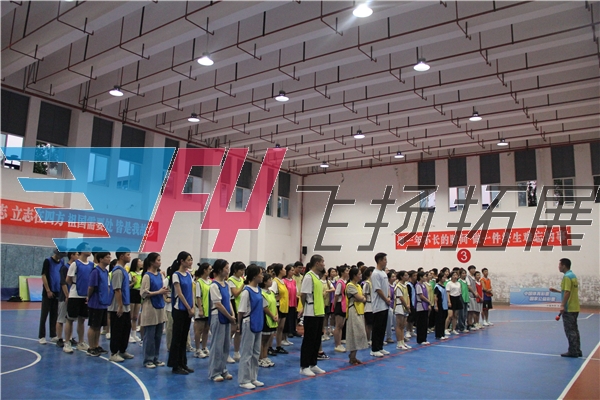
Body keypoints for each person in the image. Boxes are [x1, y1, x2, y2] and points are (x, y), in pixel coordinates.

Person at [237, 265, 266, 390]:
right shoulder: (246, 292)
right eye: (261, 273)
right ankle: (244, 380)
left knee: (256, 352)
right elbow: (241, 311)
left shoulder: (259, 290)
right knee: (247, 352)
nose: (263, 276)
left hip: (258, 322)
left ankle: (253, 377)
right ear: (254, 276)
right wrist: (238, 325)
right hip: (248, 323)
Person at [167, 251, 195, 375]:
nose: (190, 262)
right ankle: (175, 365)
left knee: (184, 337)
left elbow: (191, 292)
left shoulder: (189, 275)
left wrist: (193, 307)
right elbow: (179, 293)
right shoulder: (176, 275)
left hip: (189, 310)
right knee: (177, 338)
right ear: (182, 261)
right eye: (188, 260)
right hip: (179, 310)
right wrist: (188, 307)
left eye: (191, 259)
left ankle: (183, 363)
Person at [209, 259, 237, 382]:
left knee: (226, 345)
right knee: (217, 346)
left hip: (227, 317)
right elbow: (218, 304)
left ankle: (223, 369)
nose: (228, 270)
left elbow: (229, 301)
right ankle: (214, 372)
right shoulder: (214, 285)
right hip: (218, 317)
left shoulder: (226, 285)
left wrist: (233, 314)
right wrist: (230, 317)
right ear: (220, 270)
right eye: (226, 268)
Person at [139, 252, 168, 368]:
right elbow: (143, 293)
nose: (160, 262)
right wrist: (158, 292)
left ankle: (156, 357)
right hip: (150, 308)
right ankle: (148, 359)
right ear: (152, 262)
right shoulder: (147, 276)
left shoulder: (160, 275)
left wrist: (164, 292)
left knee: (158, 335)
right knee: (149, 335)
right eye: (158, 260)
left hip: (160, 307)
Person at [299, 254, 327, 377]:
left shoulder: (317, 277)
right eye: (322, 262)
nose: (324, 264)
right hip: (311, 312)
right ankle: (304, 366)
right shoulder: (308, 277)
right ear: (317, 263)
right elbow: (303, 295)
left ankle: (313, 363)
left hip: (319, 312)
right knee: (309, 340)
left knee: (316, 340)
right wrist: (304, 307)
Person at [64, 244, 94, 354]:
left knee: (82, 320)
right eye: (87, 248)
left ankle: (81, 342)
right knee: (70, 319)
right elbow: (68, 279)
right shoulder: (75, 264)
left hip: (85, 296)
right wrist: (76, 286)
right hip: (75, 295)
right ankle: (67, 342)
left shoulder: (91, 265)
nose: (90, 250)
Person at [550, 258, 582, 358]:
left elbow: (567, 292)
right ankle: (577, 350)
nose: (558, 267)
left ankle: (573, 351)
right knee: (575, 330)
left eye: (559, 265)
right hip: (575, 307)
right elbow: (568, 291)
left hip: (569, 308)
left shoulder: (567, 277)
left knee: (570, 331)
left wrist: (562, 305)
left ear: (564, 266)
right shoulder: (573, 276)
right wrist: (557, 291)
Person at [108, 249, 134, 362]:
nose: (130, 257)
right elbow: (117, 289)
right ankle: (114, 353)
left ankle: (122, 350)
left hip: (125, 305)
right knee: (117, 330)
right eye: (128, 255)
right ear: (122, 256)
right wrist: (120, 306)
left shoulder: (124, 270)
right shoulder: (118, 271)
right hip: (118, 306)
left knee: (126, 328)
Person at [86, 251, 112, 357]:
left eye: (110, 257)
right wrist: (88, 297)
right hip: (95, 303)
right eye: (107, 257)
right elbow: (91, 287)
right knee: (93, 326)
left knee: (99, 326)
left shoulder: (105, 272)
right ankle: (91, 347)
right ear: (101, 259)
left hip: (103, 303)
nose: (109, 259)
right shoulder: (95, 271)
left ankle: (96, 345)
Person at [39, 249, 66, 344]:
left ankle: (53, 334)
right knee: (44, 314)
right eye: (60, 255)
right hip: (49, 291)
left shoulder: (62, 262)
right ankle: (42, 336)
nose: (61, 257)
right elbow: (44, 275)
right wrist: (48, 290)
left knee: (54, 314)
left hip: (58, 291)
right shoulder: (48, 261)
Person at [345, 266, 368, 365]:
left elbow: (363, 298)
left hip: (360, 311)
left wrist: (362, 298)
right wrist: (362, 298)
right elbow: (361, 298)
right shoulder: (350, 286)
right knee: (354, 333)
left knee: (360, 334)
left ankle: (353, 356)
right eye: (359, 274)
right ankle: (352, 356)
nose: (360, 275)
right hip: (353, 311)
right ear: (354, 275)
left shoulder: (358, 286)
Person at [56, 250, 78, 348]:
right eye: (77, 254)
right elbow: (63, 283)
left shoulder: (75, 267)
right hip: (64, 297)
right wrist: (67, 295)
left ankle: (69, 337)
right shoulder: (65, 268)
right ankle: (59, 338)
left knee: (70, 319)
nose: (78, 256)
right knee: (61, 318)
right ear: (72, 255)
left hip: (72, 296)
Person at [370, 252, 390, 358]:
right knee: (377, 328)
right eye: (384, 259)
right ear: (379, 261)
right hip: (378, 305)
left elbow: (386, 287)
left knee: (382, 328)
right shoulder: (375, 273)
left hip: (385, 304)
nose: (386, 261)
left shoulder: (383, 273)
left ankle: (380, 347)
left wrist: (388, 297)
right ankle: (374, 349)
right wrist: (386, 299)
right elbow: (378, 289)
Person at [228, 261, 246, 362]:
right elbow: (235, 293)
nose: (243, 272)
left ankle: (236, 352)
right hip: (234, 306)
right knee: (232, 330)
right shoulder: (231, 280)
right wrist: (243, 284)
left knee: (239, 332)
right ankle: (226, 353)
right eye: (241, 270)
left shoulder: (241, 279)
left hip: (241, 307)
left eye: (243, 270)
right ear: (235, 270)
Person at [270, 263, 290, 354]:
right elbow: (271, 294)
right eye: (284, 269)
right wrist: (276, 299)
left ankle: (278, 346)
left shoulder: (282, 281)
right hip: (278, 307)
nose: (285, 270)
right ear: (280, 271)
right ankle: (269, 347)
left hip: (284, 307)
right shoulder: (275, 282)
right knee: (274, 328)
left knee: (281, 328)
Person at [193, 262, 212, 359]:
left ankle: (204, 347)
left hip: (209, 309)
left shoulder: (210, 282)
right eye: (209, 269)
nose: (211, 271)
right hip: (201, 309)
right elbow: (198, 297)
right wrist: (200, 309)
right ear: (204, 270)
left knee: (206, 329)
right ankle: (197, 349)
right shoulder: (199, 282)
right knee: (199, 330)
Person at [259, 273, 278, 368]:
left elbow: (275, 304)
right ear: (265, 282)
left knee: (267, 340)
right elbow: (265, 307)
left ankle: (265, 356)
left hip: (272, 318)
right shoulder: (261, 293)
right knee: (262, 340)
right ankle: (260, 358)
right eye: (270, 280)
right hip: (265, 318)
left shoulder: (271, 292)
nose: (271, 281)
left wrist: (276, 315)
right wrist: (272, 316)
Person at [333, 265, 349, 353]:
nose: (348, 272)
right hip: (339, 305)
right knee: (338, 326)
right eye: (346, 271)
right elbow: (336, 295)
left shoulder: (345, 282)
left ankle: (339, 343)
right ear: (342, 272)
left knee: (341, 326)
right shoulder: (340, 282)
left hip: (344, 305)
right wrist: (334, 306)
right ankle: (337, 345)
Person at [394, 270, 411, 350]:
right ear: (401, 277)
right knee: (399, 325)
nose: (407, 277)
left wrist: (408, 305)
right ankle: (399, 343)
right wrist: (406, 307)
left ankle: (403, 342)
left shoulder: (405, 285)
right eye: (405, 275)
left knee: (403, 325)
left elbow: (407, 296)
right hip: (400, 306)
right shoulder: (398, 286)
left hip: (405, 307)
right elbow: (401, 298)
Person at [284, 264, 301, 338]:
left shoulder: (294, 281)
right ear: (287, 271)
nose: (293, 272)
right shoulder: (284, 281)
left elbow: (296, 290)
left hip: (294, 301)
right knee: (288, 317)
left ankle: (294, 330)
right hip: (287, 301)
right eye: (292, 270)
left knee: (294, 316)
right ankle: (289, 331)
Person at [415, 271, 431, 345]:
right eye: (424, 276)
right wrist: (428, 301)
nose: (426, 277)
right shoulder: (418, 285)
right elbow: (421, 296)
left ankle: (424, 338)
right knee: (420, 323)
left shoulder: (424, 285)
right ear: (421, 277)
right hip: (420, 306)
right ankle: (420, 339)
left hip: (425, 305)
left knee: (425, 323)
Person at [129, 258, 143, 343]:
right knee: (130, 316)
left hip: (139, 293)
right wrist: (133, 283)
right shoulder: (131, 273)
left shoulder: (142, 273)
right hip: (132, 293)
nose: (141, 263)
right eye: (139, 261)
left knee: (135, 316)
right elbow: (127, 286)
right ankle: (128, 335)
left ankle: (134, 334)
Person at [445, 271, 461, 336]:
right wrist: (449, 301)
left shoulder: (458, 283)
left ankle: (453, 329)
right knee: (450, 315)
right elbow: (448, 293)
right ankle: (445, 329)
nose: (455, 276)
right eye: (453, 275)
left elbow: (459, 292)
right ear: (451, 276)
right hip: (451, 298)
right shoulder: (449, 283)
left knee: (455, 315)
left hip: (457, 298)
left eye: (456, 275)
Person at [433, 274, 449, 340]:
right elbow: (435, 296)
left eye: (445, 277)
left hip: (444, 305)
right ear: (440, 278)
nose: (445, 278)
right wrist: (436, 305)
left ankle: (442, 333)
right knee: (439, 320)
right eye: (443, 277)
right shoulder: (437, 286)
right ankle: (438, 335)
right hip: (439, 305)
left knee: (443, 320)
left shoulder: (444, 286)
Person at [362, 267, 374, 343]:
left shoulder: (373, 283)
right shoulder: (366, 284)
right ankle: (368, 340)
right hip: (368, 307)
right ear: (370, 273)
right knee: (369, 325)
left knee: (374, 325)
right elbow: (364, 296)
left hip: (374, 306)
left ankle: (373, 339)